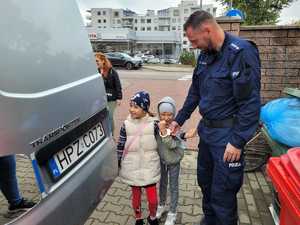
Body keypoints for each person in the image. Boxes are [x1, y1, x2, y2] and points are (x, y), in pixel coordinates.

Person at [170, 10, 261, 225]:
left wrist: (237, 141)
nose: (192, 46)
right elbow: (195, 91)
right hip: (207, 134)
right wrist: (179, 119)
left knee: (223, 193)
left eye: (194, 40)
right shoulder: (205, 56)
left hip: (227, 137)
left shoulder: (241, 53)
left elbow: (250, 103)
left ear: (208, 30)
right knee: (206, 184)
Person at [116, 91, 160, 225]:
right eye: (130, 106)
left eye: (135, 107)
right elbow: (121, 144)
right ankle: (138, 218)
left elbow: (166, 136)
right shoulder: (126, 124)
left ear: (144, 108)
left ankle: (152, 217)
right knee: (136, 197)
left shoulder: (154, 124)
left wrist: (182, 136)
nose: (131, 109)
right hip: (132, 167)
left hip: (149, 167)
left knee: (152, 199)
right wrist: (117, 161)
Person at [156, 96, 197, 225]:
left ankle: (172, 212)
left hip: (174, 162)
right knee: (162, 184)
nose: (166, 118)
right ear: (159, 114)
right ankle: (161, 205)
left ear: (174, 114)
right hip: (162, 161)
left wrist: (164, 132)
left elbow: (172, 144)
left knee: (173, 186)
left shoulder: (175, 127)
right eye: (163, 114)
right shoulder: (157, 125)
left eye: (170, 114)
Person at [95, 52, 122, 135]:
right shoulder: (97, 71)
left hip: (111, 99)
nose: (96, 63)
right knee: (98, 115)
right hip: (101, 98)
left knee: (109, 116)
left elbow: (118, 85)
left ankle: (111, 134)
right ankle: (102, 133)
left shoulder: (112, 71)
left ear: (103, 61)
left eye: (97, 61)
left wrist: (119, 98)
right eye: (95, 61)